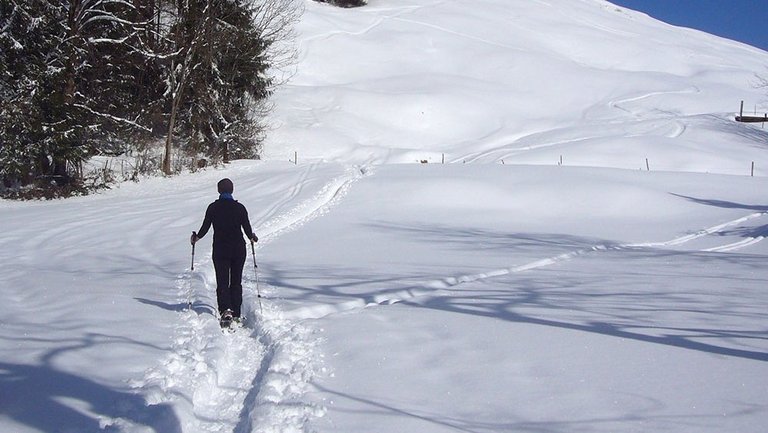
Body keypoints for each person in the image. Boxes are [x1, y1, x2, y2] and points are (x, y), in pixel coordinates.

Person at [191, 178, 258, 326]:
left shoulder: (213, 208)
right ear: (232, 190)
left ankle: (226, 310)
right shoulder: (240, 208)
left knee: (222, 281)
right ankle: (237, 313)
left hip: (221, 249)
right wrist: (252, 237)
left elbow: (205, 227)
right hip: (238, 249)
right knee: (236, 281)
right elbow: (247, 229)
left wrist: (196, 238)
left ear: (219, 190)